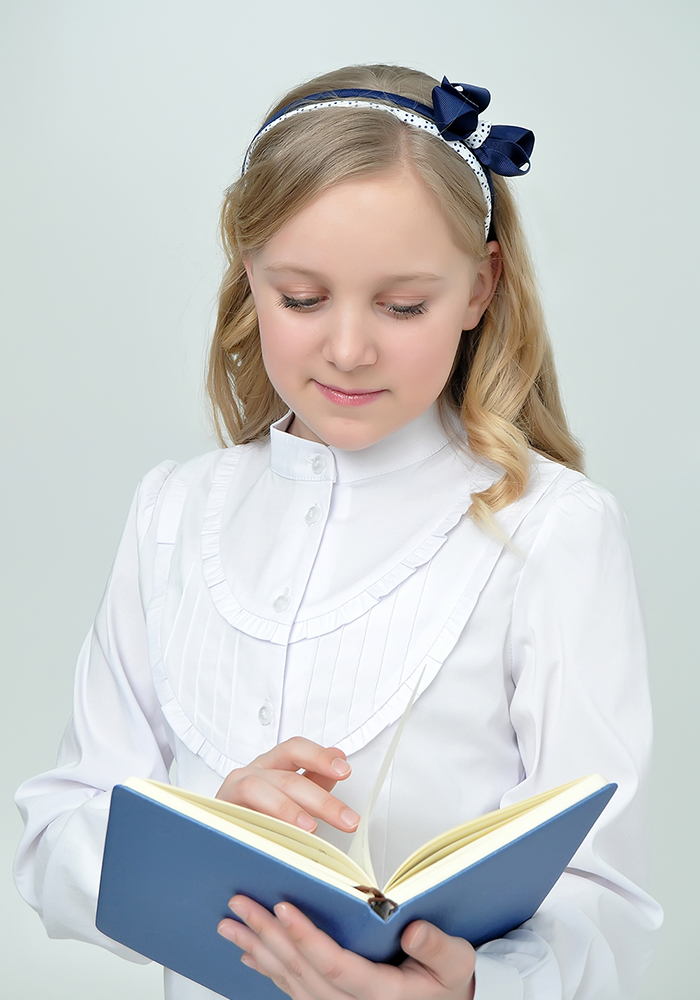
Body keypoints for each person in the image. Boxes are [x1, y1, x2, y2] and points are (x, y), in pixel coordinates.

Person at [14, 64, 662, 1000]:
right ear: (250, 275)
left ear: (480, 287)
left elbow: (605, 900)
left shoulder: (554, 530)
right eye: (302, 298)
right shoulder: (174, 513)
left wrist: (475, 989)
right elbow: (51, 845)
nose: (350, 350)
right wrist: (204, 829)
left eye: (403, 307)